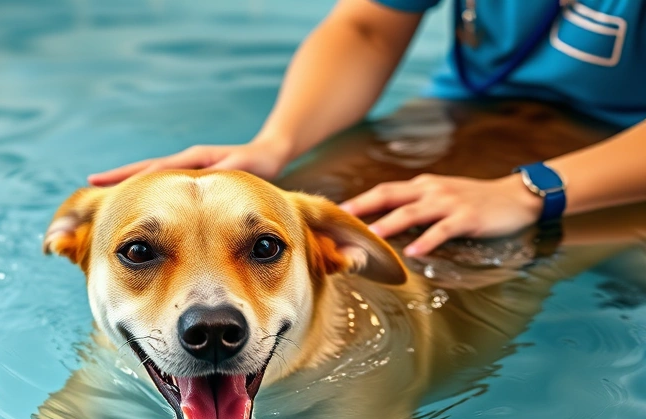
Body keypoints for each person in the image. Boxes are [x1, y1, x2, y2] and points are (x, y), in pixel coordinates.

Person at [87, 0, 646, 257]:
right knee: (304, 223)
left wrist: (527, 193)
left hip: (619, 149)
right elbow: (366, 26)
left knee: (459, 262)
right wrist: (275, 143)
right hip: (458, 115)